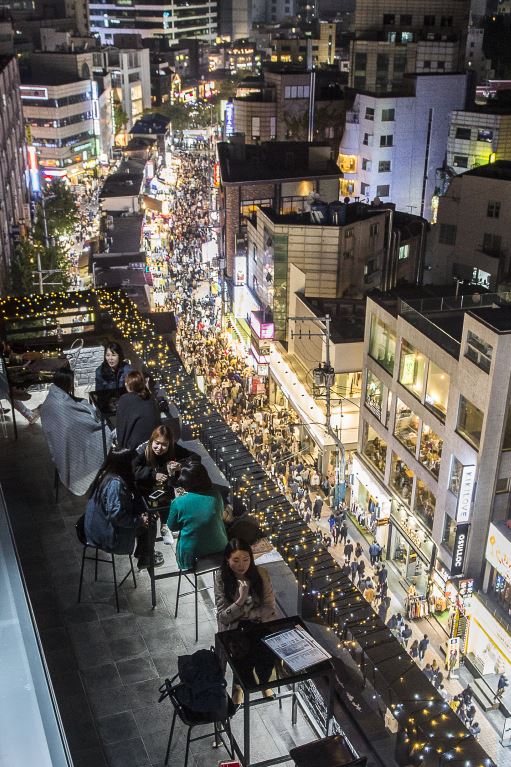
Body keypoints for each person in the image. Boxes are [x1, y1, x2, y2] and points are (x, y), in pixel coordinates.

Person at [214, 539, 277, 704]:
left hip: (258, 622)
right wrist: (241, 599)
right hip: (233, 626)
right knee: (242, 650)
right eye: (235, 560)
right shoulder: (222, 578)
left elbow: (269, 607)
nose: (241, 565)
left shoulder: (261, 574)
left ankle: (264, 682)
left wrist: (249, 615)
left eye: (246, 559)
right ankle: (239, 686)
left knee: (267, 650)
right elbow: (223, 616)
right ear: (227, 560)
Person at [40, 369, 113, 495]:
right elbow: (82, 424)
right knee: (105, 434)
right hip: (69, 441)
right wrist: (101, 425)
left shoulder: (54, 395)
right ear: (65, 383)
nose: (73, 384)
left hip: (61, 441)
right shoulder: (61, 402)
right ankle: (101, 475)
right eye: (71, 382)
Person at [84, 447, 156, 570]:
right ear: (125, 464)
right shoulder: (115, 484)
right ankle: (146, 557)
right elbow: (117, 517)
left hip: (95, 528)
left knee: (145, 514)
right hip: (106, 536)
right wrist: (141, 520)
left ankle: (142, 553)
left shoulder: (104, 473)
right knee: (150, 523)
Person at [133, 424, 201, 538]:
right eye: (157, 443)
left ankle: (165, 525)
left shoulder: (173, 448)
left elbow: (195, 458)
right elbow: (134, 469)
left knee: (167, 503)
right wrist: (153, 475)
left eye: (164, 445)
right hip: (145, 490)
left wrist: (181, 465)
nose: (159, 448)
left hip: (164, 490)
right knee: (150, 520)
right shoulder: (142, 450)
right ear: (152, 440)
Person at [168, 462, 228, 570]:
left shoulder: (178, 502)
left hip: (191, 559)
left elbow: (172, 527)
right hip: (221, 551)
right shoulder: (216, 495)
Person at [116, 371, 161, 451]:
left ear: (128, 385)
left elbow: (121, 426)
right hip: (153, 442)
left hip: (135, 447)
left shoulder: (125, 399)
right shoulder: (150, 398)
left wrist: (120, 446)